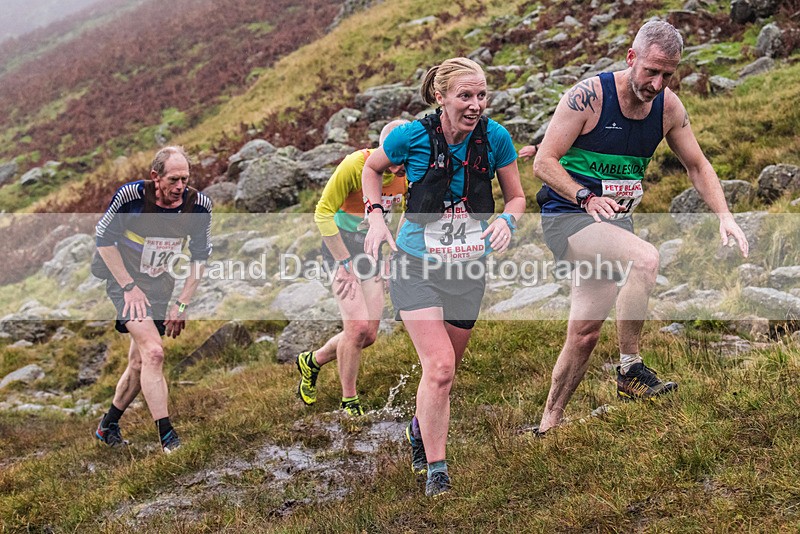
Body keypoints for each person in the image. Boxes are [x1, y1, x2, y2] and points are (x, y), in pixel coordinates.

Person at [532, 20, 749, 434]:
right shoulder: (589, 97)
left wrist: (725, 216)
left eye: (668, 74)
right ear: (632, 58)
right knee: (646, 259)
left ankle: (548, 425)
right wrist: (586, 197)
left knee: (584, 335)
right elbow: (544, 162)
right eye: (651, 70)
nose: (657, 82)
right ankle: (630, 369)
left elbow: (697, 165)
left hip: (615, 222)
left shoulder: (669, 108)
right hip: (569, 216)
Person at [363, 57, 525, 497]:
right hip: (416, 264)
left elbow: (516, 197)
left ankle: (420, 426)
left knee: (445, 372)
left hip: (469, 267)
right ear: (441, 96)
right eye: (465, 96)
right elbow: (371, 169)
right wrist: (376, 218)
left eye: (481, 95)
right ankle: (437, 467)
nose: (475, 105)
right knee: (439, 368)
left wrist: (508, 222)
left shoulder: (496, 138)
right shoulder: (411, 136)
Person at [93, 146, 212, 453]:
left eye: (185, 179)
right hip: (124, 282)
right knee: (154, 353)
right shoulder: (130, 197)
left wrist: (182, 303)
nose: (180, 186)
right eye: (173, 179)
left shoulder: (198, 207)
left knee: (139, 361)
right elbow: (103, 240)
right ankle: (168, 437)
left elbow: (200, 257)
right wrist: (129, 286)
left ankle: (108, 426)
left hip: (160, 285)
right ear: (155, 176)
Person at [295, 120, 409, 416]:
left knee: (368, 335)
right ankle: (349, 401)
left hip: (371, 251)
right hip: (340, 250)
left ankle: (312, 361)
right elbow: (322, 214)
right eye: (396, 158)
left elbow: (405, 216)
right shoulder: (354, 165)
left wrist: (391, 256)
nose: (401, 168)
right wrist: (344, 263)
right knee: (356, 327)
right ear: (383, 148)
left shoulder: (409, 172)